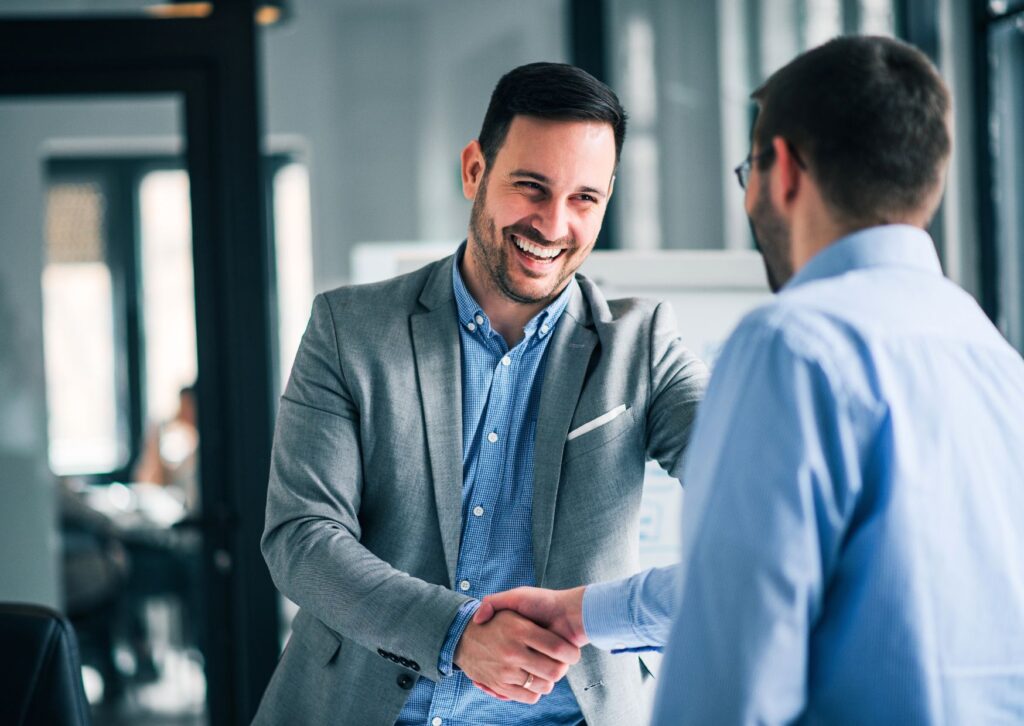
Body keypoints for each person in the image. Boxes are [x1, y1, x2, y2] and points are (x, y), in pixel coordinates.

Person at [475, 35, 1024, 724]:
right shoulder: (995, 360)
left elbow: (733, 652)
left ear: (784, 171)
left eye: (749, 171)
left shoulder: (794, 346)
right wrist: (584, 613)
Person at [253, 62, 708, 725]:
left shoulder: (643, 346)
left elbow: (758, 498)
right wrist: (456, 633)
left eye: (585, 199)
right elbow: (302, 538)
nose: (554, 225)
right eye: (531, 187)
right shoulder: (349, 331)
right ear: (474, 171)